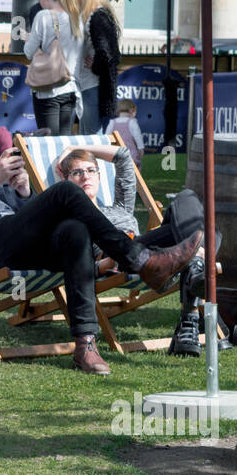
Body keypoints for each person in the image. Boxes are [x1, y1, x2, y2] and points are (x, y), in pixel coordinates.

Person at [0, 98, 201, 374]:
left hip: (20, 247)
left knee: (74, 231)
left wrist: (22, 193)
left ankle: (85, 345)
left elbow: (22, 215)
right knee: (66, 191)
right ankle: (141, 261)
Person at [52, 145, 212, 357]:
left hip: (151, 251)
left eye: (91, 170)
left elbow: (123, 156)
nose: (85, 176)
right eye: (77, 172)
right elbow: (75, 266)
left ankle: (196, 262)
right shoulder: (70, 223)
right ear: (66, 182)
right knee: (200, 239)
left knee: (187, 198)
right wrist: (104, 265)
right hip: (123, 260)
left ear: (100, 177)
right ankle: (190, 315)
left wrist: (76, 147)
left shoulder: (119, 207)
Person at [23, 0, 85, 136]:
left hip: (49, 89)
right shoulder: (76, 18)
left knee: (48, 140)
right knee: (64, 142)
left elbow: (29, 52)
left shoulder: (43, 16)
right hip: (71, 88)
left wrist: (28, 39)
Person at [72, 0, 119, 132]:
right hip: (90, 84)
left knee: (92, 136)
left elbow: (106, 52)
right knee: (88, 134)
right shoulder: (98, 15)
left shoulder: (96, 17)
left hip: (93, 84)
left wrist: (95, 66)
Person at [104, 98, 145, 165]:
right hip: (130, 155)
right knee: (137, 167)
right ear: (132, 110)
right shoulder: (132, 122)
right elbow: (138, 137)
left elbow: (107, 137)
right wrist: (141, 149)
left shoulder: (112, 122)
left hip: (116, 154)